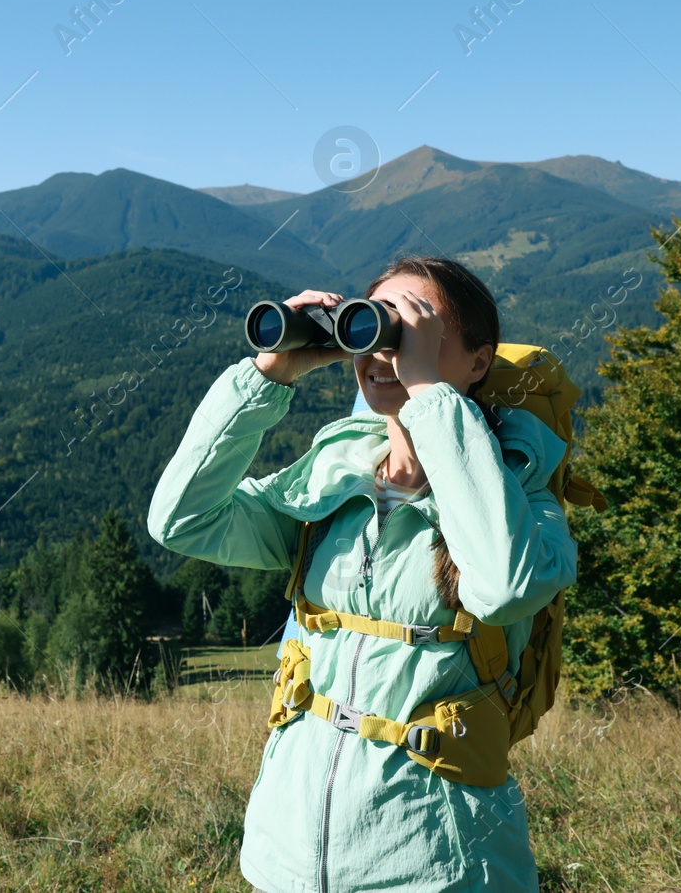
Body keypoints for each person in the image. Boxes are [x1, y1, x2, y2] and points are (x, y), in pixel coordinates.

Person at [147, 255, 576, 893]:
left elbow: (505, 586)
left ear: (477, 362)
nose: (382, 353)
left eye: (408, 333)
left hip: (439, 868)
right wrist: (267, 377)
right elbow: (181, 520)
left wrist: (429, 394)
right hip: (287, 856)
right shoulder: (328, 489)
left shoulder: (523, 505)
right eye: (369, 328)